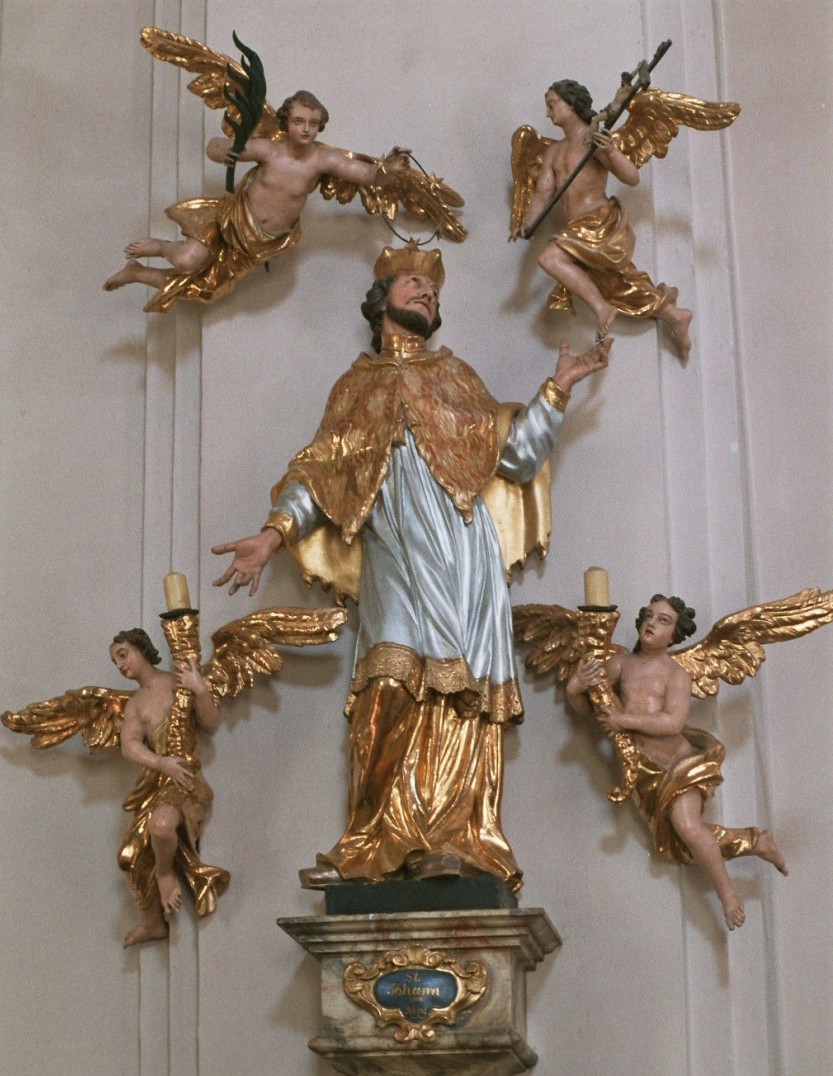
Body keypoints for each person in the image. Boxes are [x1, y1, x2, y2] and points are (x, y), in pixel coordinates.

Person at [212, 243, 611, 890]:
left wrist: (555, 390)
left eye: (433, 288)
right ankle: (372, 840)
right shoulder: (355, 386)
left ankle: (453, 841)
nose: (427, 294)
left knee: (458, 691)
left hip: (462, 550)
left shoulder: (455, 376)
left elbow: (511, 457)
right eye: (414, 285)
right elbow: (319, 470)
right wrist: (272, 535)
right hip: (394, 553)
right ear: (380, 302)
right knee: (387, 687)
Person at [565, 595, 787, 930]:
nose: (652, 623)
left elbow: (671, 723)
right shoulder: (620, 665)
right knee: (680, 845)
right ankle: (755, 842)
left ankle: (728, 898)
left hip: (681, 762)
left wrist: (625, 721)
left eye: (664, 620)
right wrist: (574, 688)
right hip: (645, 773)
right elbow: (593, 711)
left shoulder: (676, 674)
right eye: (649, 616)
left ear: (675, 634)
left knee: (687, 828)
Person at [104, 90, 408, 311]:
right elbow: (215, 149)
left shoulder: (321, 160)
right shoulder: (269, 150)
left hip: (261, 245)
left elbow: (366, 175)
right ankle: (158, 247)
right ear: (286, 122)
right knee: (185, 260)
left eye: (313, 123)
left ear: (319, 127)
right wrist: (227, 150)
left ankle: (137, 273)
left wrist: (387, 170)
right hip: (230, 221)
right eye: (299, 121)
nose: (306, 128)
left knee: (206, 290)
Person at [512, 80, 692, 361]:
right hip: (575, 232)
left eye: (552, 104)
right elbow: (542, 193)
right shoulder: (553, 153)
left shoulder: (593, 139)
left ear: (571, 104)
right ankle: (675, 315)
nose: (548, 113)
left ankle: (601, 308)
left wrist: (610, 151)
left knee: (550, 259)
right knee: (618, 286)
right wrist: (527, 223)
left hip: (598, 224)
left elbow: (631, 178)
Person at [110, 628, 229, 945]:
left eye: (123, 655)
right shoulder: (135, 704)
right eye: (115, 662)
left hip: (187, 780)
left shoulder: (176, 682)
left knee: (161, 827)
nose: (120, 665)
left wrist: (200, 690)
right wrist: (161, 763)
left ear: (142, 650)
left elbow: (210, 723)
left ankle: (164, 874)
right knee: (128, 856)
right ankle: (153, 923)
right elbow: (129, 745)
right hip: (157, 784)